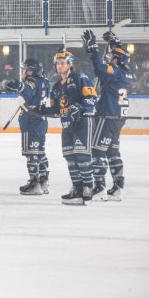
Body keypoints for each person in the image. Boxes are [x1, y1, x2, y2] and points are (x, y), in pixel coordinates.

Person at [39, 49, 97, 206]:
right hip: (67, 125)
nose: (59, 65)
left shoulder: (80, 78)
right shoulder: (56, 86)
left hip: (82, 123)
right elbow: (55, 109)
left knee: (82, 157)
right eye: (57, 63)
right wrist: (38, 110)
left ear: (70, 64)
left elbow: (92, 98)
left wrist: (78, 107)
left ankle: (88, 188)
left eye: (62, 63)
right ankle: (77, 188)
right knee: (70, 157)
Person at [86, 30, 132, 201]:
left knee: (97, 150)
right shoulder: (126, 72)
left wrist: (93, 49)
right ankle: (118, 187)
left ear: (117, 61)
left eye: (112, 57)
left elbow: (99, 68)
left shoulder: (116, 71)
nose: (110, 59)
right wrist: (115, 43)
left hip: (107, 116)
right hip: (118, 119)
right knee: (113, 152)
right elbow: (118, 57)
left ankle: (99, 187)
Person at [2, 58, 51, 195]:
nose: (22, 71)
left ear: (31, 71)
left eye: (25, 69)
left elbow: (28, 91)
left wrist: (20, 87)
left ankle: (34, 183)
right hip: (42, 121)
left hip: (31, 120)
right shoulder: (45, 82)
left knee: (31, 154)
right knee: (40, 152)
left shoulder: (32, 81)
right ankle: (43, 181)